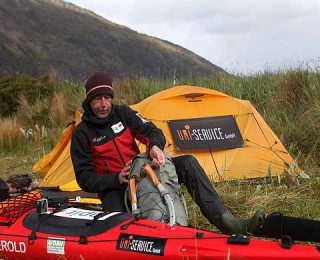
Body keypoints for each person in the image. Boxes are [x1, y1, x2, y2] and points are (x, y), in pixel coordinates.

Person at [70, 71, 264, 234]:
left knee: (187, 163)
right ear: (89, 101)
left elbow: (153, 131)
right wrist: (116, 178)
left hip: (143, 175)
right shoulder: (81, 133)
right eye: (97, 99)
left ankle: (227, 221)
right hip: (115, 188)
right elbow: (84, 178)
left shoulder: (123, 113)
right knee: (119, 230)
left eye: (107, 98)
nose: (103, 104)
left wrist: (154, 146)